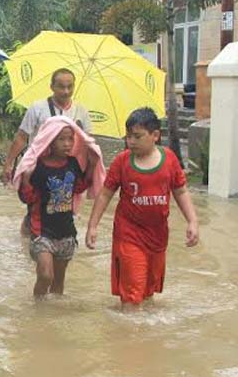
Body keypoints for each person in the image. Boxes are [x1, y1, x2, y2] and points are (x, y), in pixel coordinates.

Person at [85, 108, 200, 311]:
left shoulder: (170, 160)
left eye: (137, 136)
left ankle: (145, 336)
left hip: (158, 236)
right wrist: (92, 226)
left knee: (148, 292)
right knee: (132, 293)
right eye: (128, 136)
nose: (131, 141)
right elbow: (105, 194)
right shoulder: (122, 161)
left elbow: (180, 191)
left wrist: (192, 221)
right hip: (129, 234)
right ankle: (130, 335)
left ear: (155, 135)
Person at [14, 117, 104, 298]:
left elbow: (79, 187)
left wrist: (93, 163)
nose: (67, 144)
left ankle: (50, 316)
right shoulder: (38, 168)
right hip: (42, 232)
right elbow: (27, 198)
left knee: (58, 285)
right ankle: (37, 308)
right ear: (50, 140)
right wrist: (25, 179)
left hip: (66, 233)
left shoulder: (72, 164)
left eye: (70, 139)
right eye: (61, 139)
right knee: (46, 275)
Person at [3, 68, 93, 184]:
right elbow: (22, 137)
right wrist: (8, 163)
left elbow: (87, 143)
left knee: (65, 200)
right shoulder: (37, 108)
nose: (66, 91)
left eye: (70, 87)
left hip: (68, 169)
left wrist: (91, 168)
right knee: (36, 200)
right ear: (52, 87)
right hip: (38, 167)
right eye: (61, 86)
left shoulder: (81, 111)